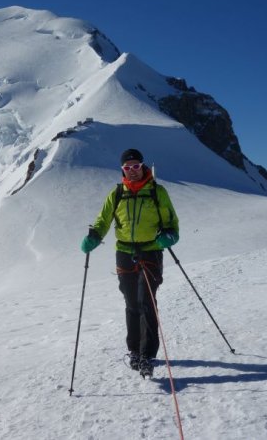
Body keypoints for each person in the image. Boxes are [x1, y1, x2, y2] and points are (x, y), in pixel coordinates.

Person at [80, 148, 180, 376]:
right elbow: (103, 220)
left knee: (147, 302)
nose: (133, 171)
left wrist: (170, 236)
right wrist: (94, 237)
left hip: (151, 252)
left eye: (136, 166)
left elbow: (172, 223)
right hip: (124, 253)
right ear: (122, 170)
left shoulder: (157, 192)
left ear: (143, 166)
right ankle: (134, 351)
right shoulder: (116, 194)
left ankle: (147, 355)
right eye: (128, 167)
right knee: (131, 303)